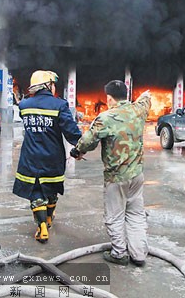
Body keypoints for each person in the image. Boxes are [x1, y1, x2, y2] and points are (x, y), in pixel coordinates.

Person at [72, 80, 151, 266]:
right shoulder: (139, 110)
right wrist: (145, 95)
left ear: (109, 98)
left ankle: (119, 253)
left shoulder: (105, 118)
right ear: (127, 95)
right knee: (136, 214)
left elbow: (87, 142)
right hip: (137, 175)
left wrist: (77, 151)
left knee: (114, 216)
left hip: (116, 178)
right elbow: (146, 99)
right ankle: (139, 255)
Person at [13, 70, 82, 243]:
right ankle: (49, 218)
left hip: (30, 156)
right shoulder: (59, 105)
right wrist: (80, 147)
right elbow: (71, 131)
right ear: (48, 85)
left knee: (35, 190)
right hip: (53, 156)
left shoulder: (24, 105)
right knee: (51, 188)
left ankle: (41, 226)